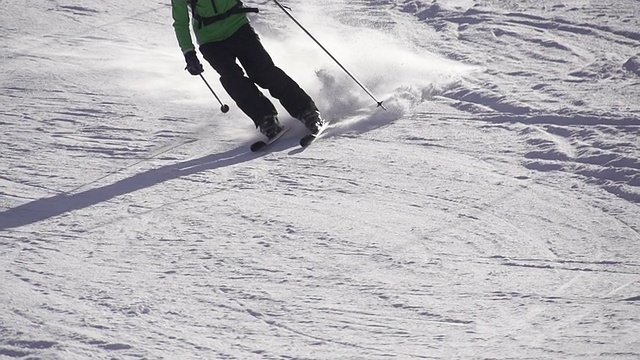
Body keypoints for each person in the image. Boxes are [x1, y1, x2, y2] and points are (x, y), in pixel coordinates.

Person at [171, 0, 324, 139]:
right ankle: (265, 118)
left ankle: (306, 110)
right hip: (210, 41)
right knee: (232, 79)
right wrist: (189, 53)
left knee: (262, 71)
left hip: (238, 27)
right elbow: (180, 21)